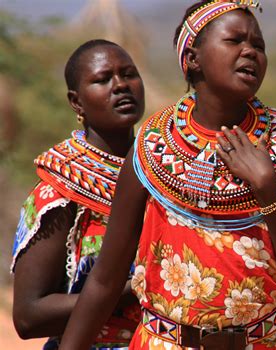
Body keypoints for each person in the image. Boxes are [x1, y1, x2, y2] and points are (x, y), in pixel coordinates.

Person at [59, 1, 276, 349]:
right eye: (234, 41)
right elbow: (104, 283)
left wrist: (267, 188)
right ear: (194, 58)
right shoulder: (151, 148)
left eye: (258, 45)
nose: (250, 51)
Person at [11, 39, 145, 349]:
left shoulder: (162, 171)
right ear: (76, 102)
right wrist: (134, 287)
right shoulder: (59, 191)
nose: (121, 86)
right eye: (103, 79)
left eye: (129, 74)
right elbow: (29, 317)